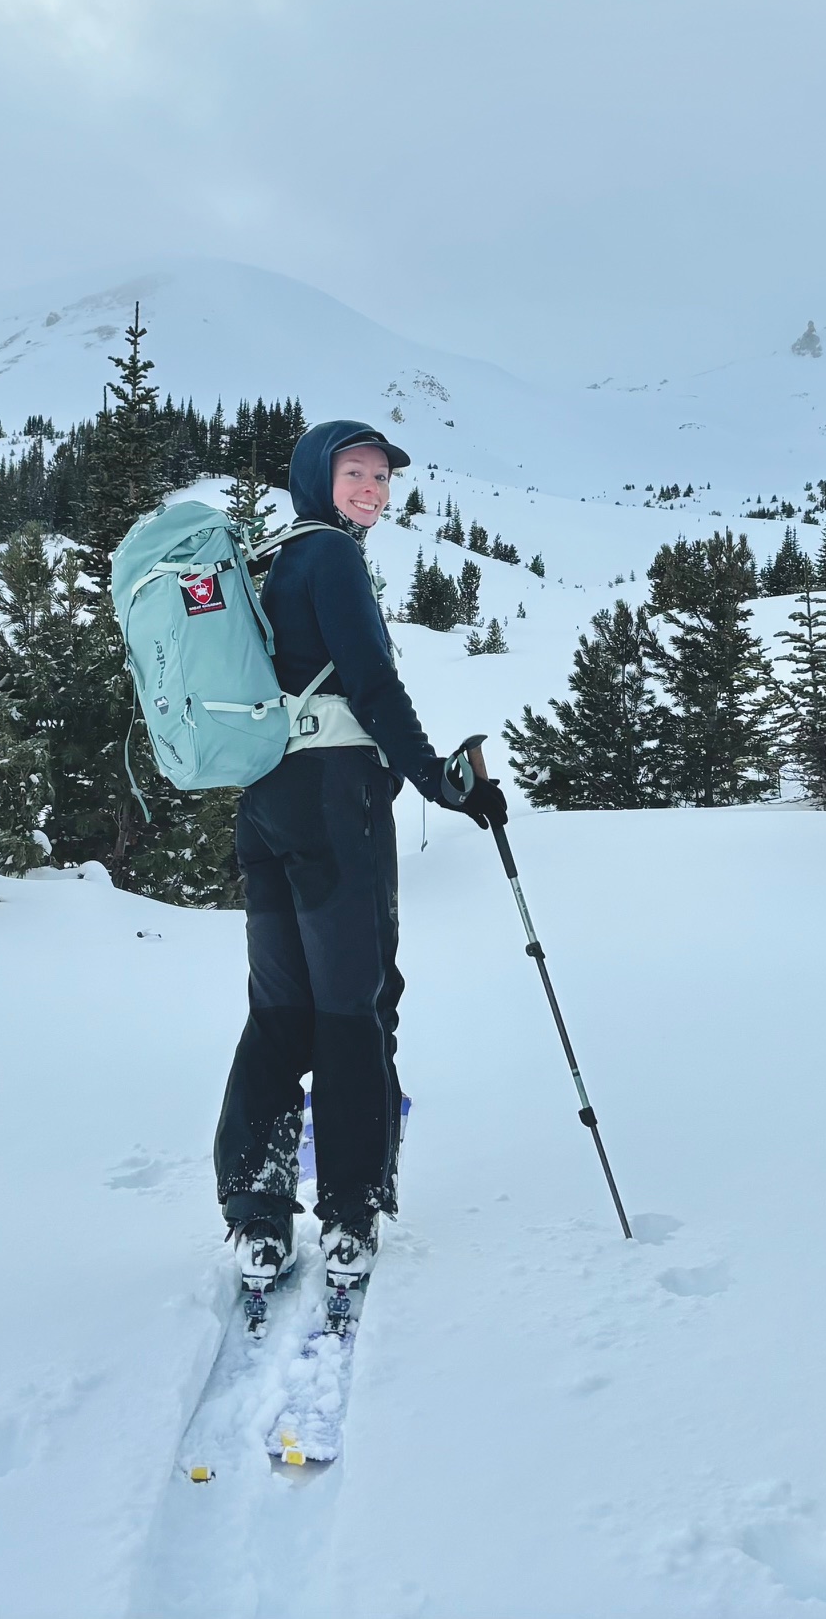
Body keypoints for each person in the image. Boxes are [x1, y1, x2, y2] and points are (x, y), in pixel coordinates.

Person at [213, 419, 508, 1306]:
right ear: (316, 476)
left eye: (381, 478)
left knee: (280, 1011)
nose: (373, 491)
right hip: (338, 803)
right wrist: (443, 784)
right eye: (355, 474)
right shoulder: (332, 560)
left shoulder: (268, 560)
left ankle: (257, 1213)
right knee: (354, 1006)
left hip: (264, 805)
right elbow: (372, 684)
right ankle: (348, 1210)